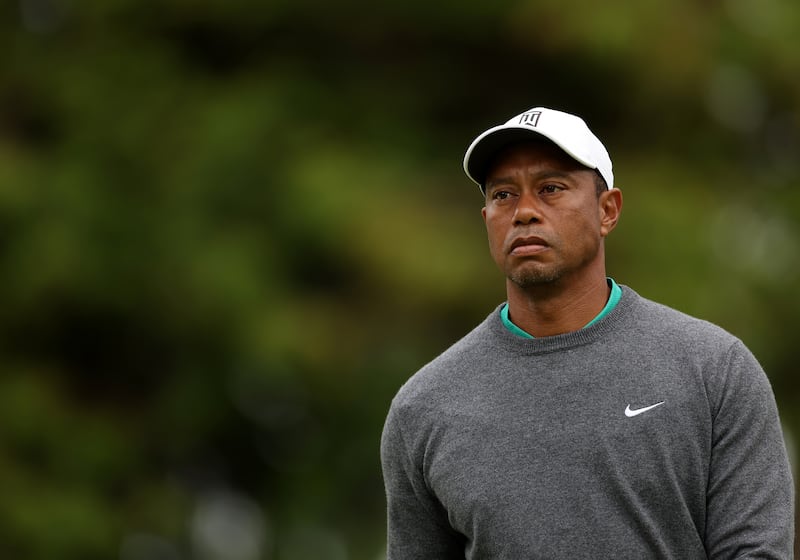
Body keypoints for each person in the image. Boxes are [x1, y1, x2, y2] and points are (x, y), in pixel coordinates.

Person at [380, 106, 795, 559]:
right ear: (486, 220)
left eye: (550, 188)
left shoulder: (714, 371)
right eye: (503, 195)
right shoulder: (424, 408)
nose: (524, 212)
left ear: (607, 211)